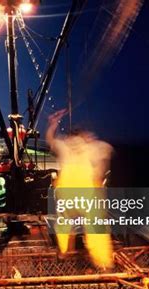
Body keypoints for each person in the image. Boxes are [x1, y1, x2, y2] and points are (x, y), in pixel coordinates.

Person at [46, 109, 114, 268]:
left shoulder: (63, 145)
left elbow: (50, 139)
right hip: (87, 194)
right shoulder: (94, 146)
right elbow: (106, 152)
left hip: (66, 193)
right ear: (85, 136)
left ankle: (63, 251)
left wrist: (53, 124)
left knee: (63, 221)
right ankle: (103, 262)